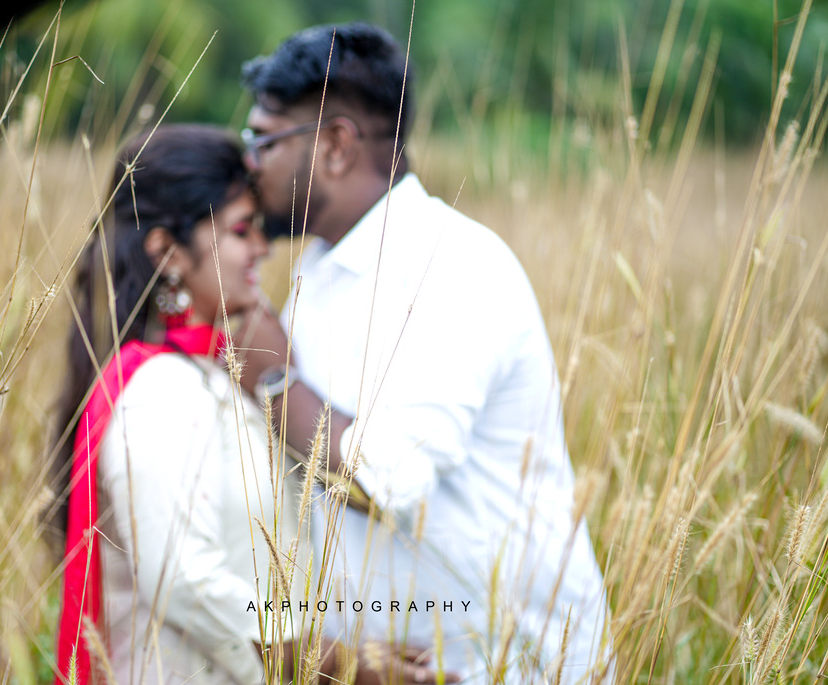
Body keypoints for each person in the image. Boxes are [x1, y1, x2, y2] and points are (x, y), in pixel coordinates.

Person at [236, 23, 612, 684]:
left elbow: (388, 481)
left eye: (264, 139)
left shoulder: (453, 267)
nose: (249, 161)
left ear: (335, 145)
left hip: (505, 663)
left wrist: (271, 379)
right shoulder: (320, 267)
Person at [50, 124, 449, 685]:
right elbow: (183, 579)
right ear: (167, 252)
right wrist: (335, 663)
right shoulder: (158, 391)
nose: (263, 248)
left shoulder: (213, 377)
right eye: (241, 230)